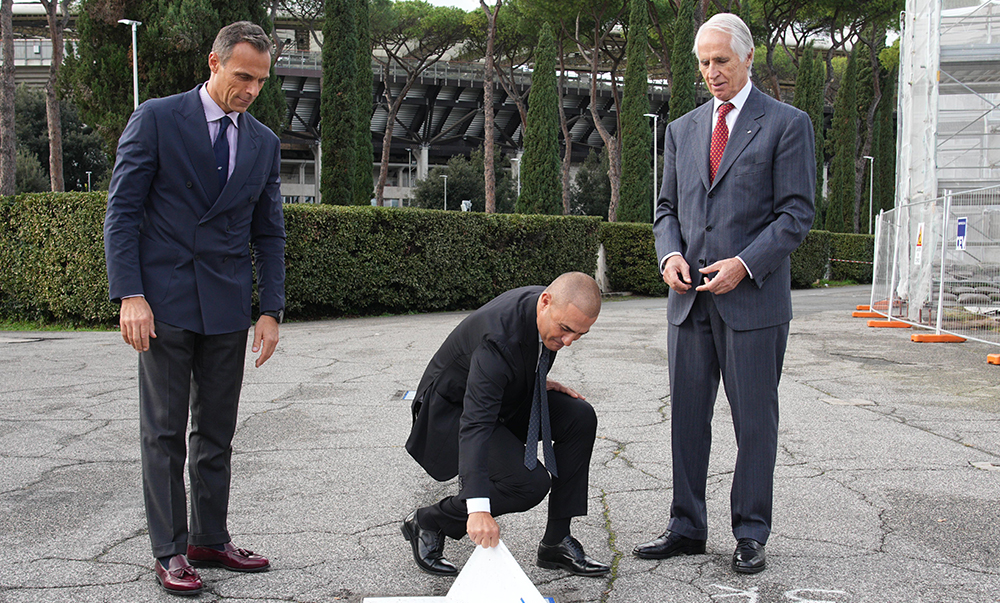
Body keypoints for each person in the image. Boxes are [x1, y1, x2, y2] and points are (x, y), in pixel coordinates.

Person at [104, 21, 285, 596]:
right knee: (163, 432)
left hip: (228, 307)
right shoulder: (157, 118)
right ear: (214, 62)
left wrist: (270, 308)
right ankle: (169, 550)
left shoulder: (264, 142)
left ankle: (209, 538)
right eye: (241, 76)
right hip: (163, 304)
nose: (250, 90)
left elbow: (270, 235)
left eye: (259, 80)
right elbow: (123, 212)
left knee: (217, 432)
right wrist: (131, 294)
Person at [633, 13, 815, 574]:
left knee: (754, 422)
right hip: (688, 303)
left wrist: (744, 264)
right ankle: (686, 526)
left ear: (749, 59)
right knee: (687, 418)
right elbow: (666, 210)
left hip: (753, 302)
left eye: (722, 61)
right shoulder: (684, 129)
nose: (711, 72)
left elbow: (796, 214)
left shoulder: (787, 124)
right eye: (703, 63)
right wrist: (669, 254)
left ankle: (751, 532)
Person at [402, 272, 610, 578]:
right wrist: (478, 508)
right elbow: (476, 422)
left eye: (579, 334)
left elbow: (524, 353)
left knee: (579, 417)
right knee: (529, 484)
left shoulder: (549, 307)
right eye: (565, 330)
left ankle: (556, 543)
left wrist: (536, 379)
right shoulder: (498, 338)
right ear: (545, 302)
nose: (568, 342)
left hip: (501, 396)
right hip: (453, 412)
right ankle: (430, 520)